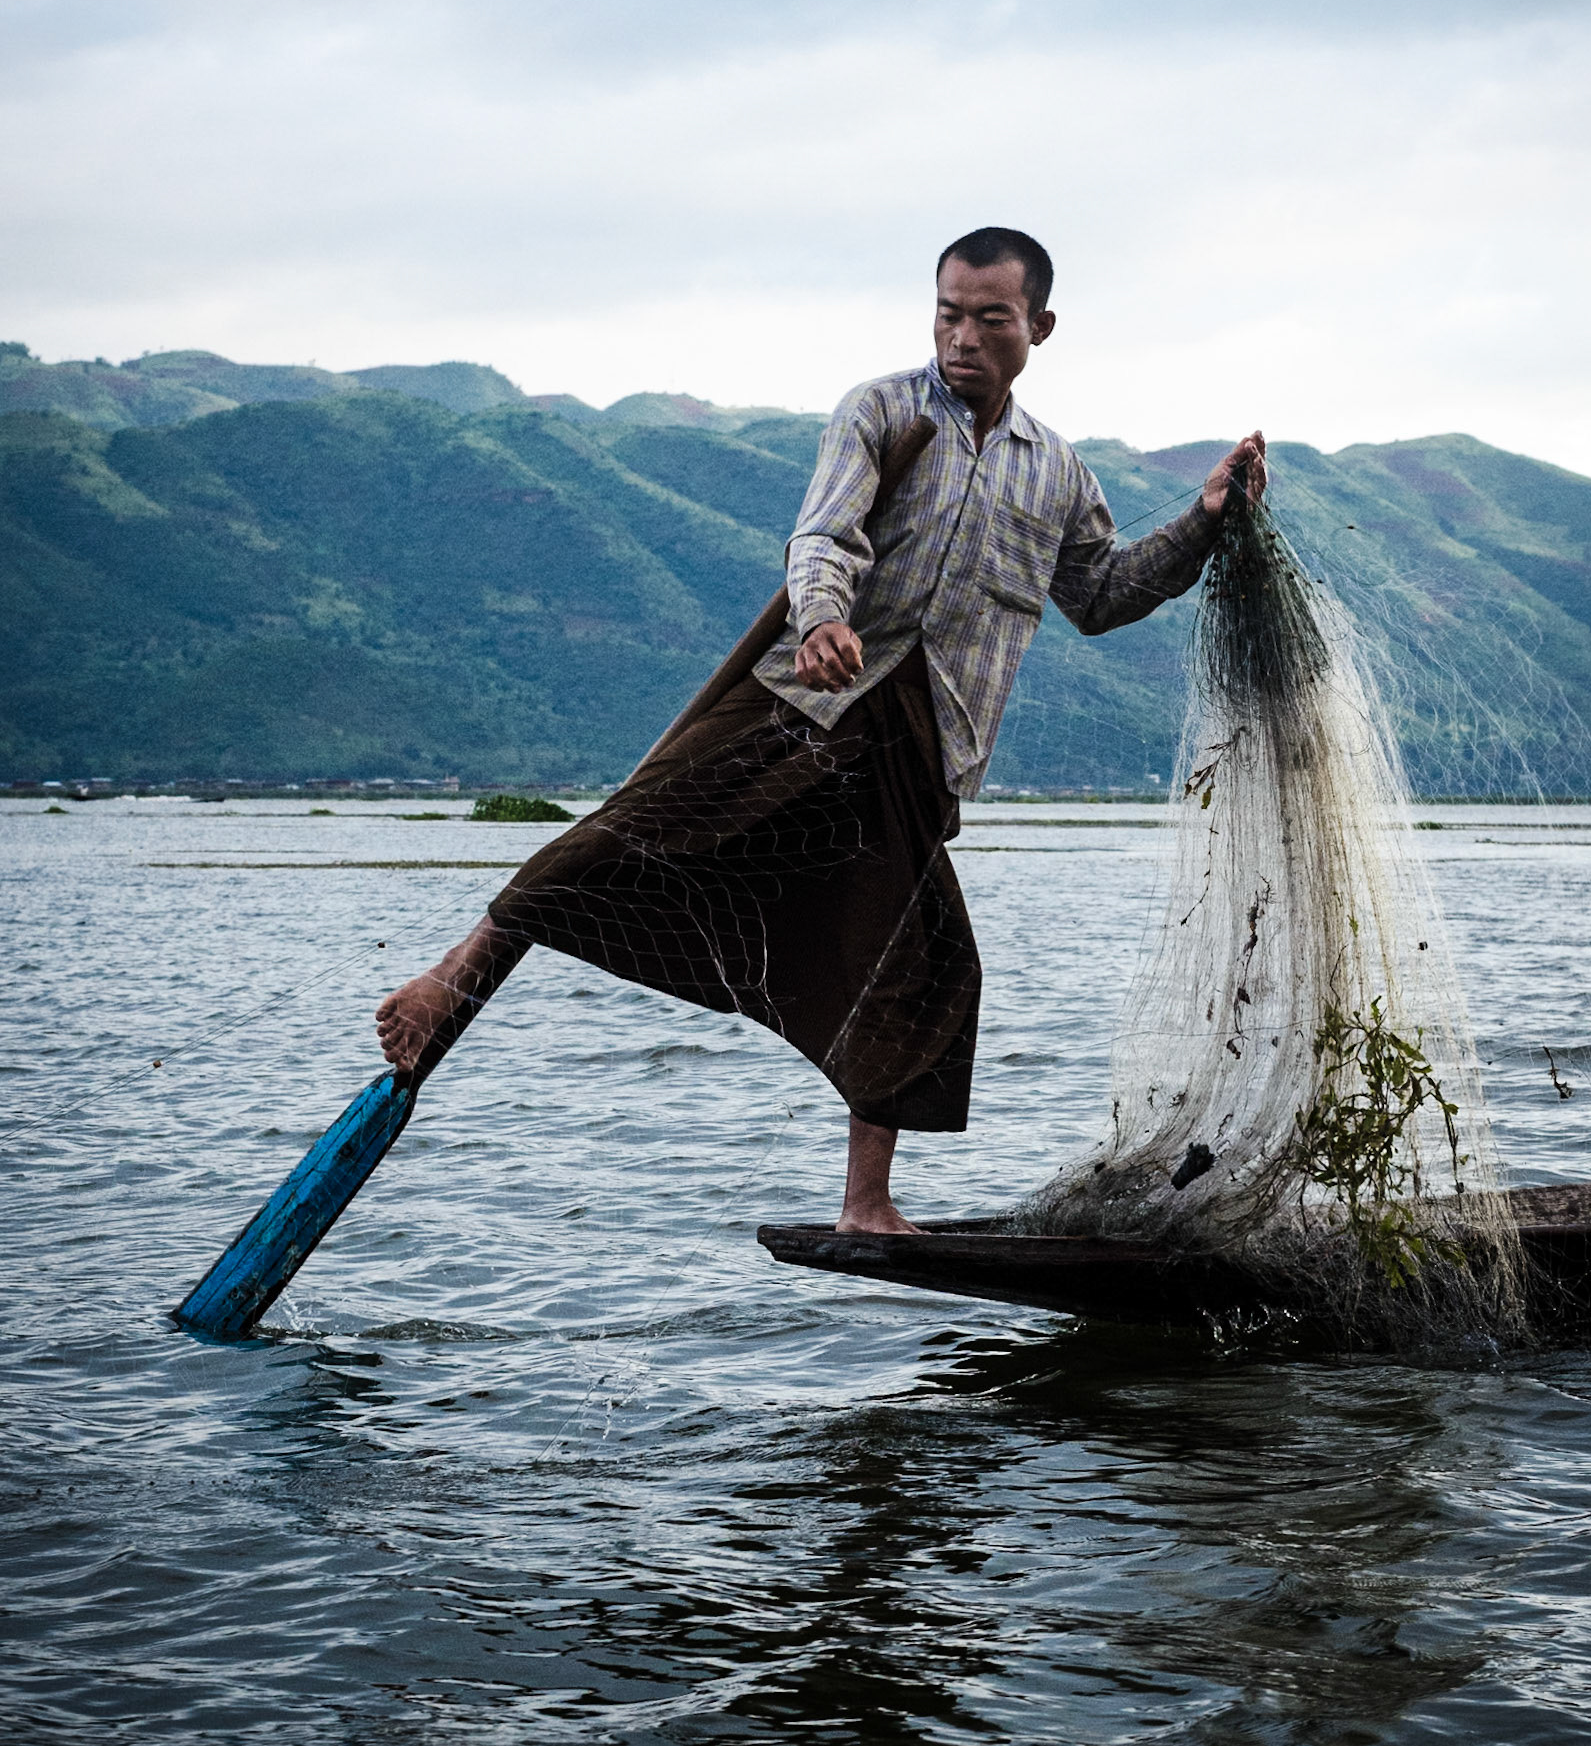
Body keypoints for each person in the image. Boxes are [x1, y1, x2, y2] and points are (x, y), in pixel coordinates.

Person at [376, 228, 1267, 1232]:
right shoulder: (880, 412)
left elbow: (1103, 594)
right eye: (948, 313)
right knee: (635, 834)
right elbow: (823, 535)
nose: (963, 336)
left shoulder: (1055, 472)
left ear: (1039, 329)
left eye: (990, 319)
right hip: (807, 705)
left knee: (919, 963)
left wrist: (1202, 519)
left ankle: (865, 1205)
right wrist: (826, 616)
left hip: (922, 745)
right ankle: (450, 979)